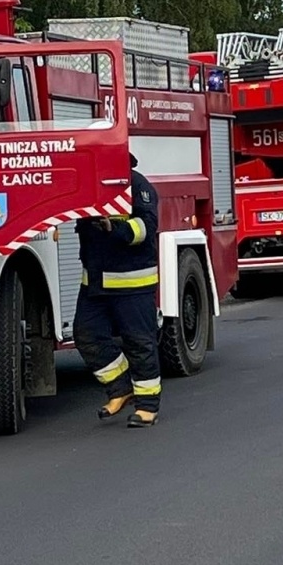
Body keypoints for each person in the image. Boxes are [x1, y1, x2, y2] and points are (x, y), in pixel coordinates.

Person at [73, 155, 163, 428]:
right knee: (87, 335)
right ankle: (120, 389)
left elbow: (146, 228)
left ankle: (148, 406)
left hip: (132, 284)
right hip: (95, 284)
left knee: (139, 342)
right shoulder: (88, 186)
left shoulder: (138, 186)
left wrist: (116, 228)